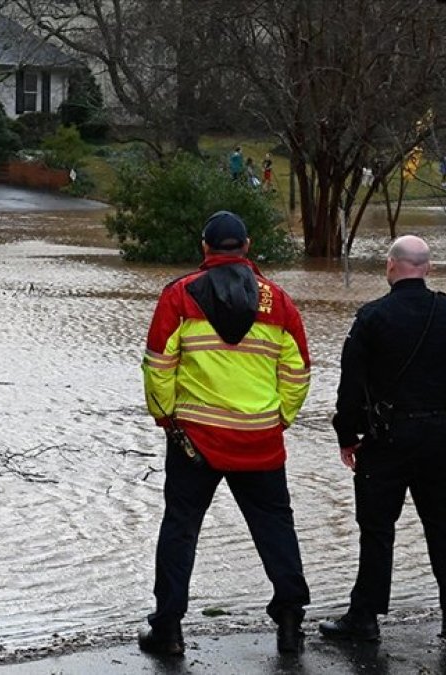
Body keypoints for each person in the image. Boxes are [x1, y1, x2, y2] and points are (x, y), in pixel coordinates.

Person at [138, 211, 312, 657]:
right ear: (247, 247)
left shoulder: (179, 296)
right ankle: (291, 623)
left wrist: (166, 419)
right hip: (260, 440)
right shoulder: (280, 302)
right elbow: (298, 373)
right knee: (275, 527)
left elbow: (158, 366)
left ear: (205, 248)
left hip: (195, 439)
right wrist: (280, 420)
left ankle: (169, 630)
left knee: (180, 529)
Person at [320, 235, 446, 644]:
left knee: (377, 528)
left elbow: (350, 387)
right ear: (427, 268)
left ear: (390, 266)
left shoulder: (372, 317)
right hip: (440, 437)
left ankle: (365, 618)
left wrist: (347, 435)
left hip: (386, 439)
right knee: (444, 527)